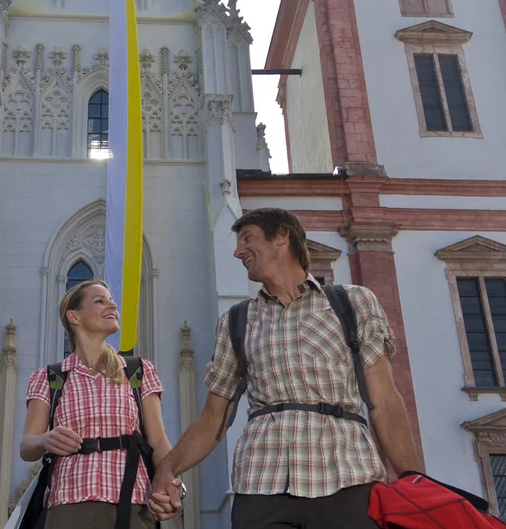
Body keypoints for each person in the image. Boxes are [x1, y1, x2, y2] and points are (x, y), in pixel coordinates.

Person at [146, 208, 424, 528]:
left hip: (350, 476)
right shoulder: (237, 321)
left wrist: (414, 482)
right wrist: (168, 469)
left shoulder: (352, 302)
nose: (238, 251)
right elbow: (212, 420)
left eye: (248, 239)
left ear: (281, 237)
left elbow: (384, 400)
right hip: (262, 482)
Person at [19, 279, 175, 529]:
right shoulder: (50, 377)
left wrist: (169, 481)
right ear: (74, 316)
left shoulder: (137, 370)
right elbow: (27, 446)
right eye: (99, 301)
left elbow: (157, 440)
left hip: (133, 501)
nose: (112, 304)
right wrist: (44, 440)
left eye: (111, 300)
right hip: (68, 503)